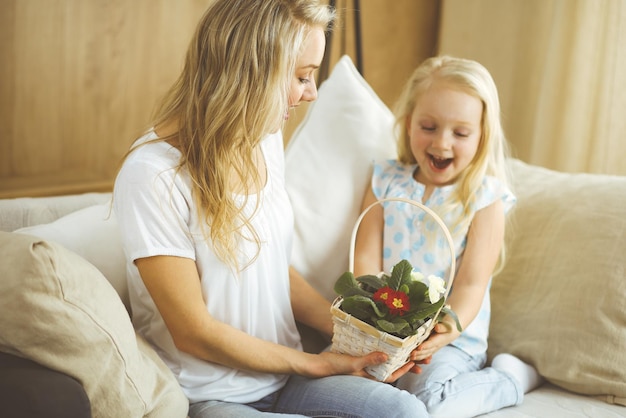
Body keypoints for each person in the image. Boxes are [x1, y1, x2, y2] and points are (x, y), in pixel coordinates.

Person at [113, 1, 430, 417]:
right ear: (249, 71)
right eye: (301, 76)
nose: (311, 92)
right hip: (211, 396)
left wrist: (364, 335)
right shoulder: (152, 174)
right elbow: (193, 332)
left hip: (288, 380)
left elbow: (272, 266)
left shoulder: (263, 138)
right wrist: (315, 363)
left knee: (404, 412)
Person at [353, 56, 542, 417]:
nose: (442, 143)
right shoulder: (385, 180)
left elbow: (471, 285)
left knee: (430, 403)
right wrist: (381, 329)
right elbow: (365, 260)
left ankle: (509, 378)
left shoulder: (485, 198)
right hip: (390, 334)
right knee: (360, 391)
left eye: (460, 133)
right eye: (428, 126)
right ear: (409, 124)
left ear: (481, 136)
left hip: (452, 342)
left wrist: (445, 331)